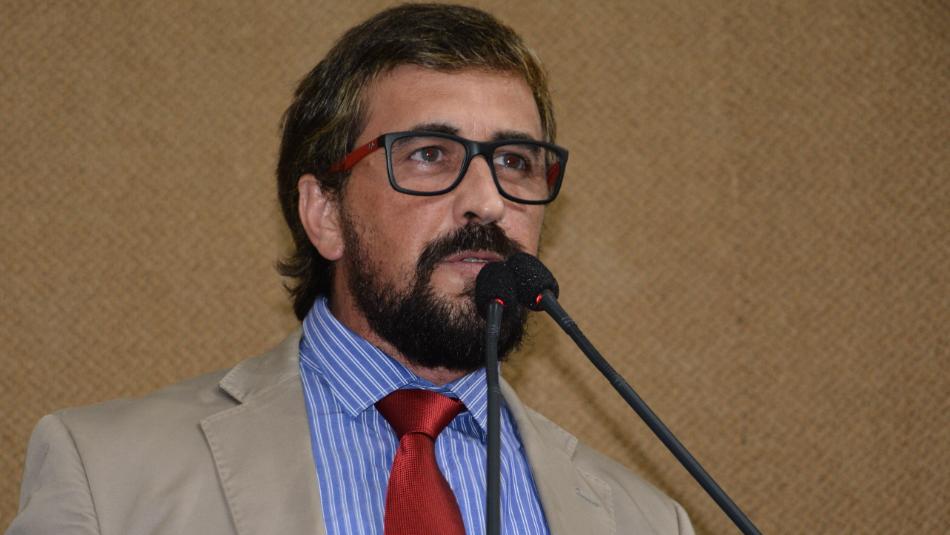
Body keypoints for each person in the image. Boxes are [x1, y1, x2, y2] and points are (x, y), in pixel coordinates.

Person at [7, 4, 693, 535]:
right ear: (325, 212)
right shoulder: (105, 476)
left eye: (515, 162)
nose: (488, 201)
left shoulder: (646, 519)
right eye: (430, 154)